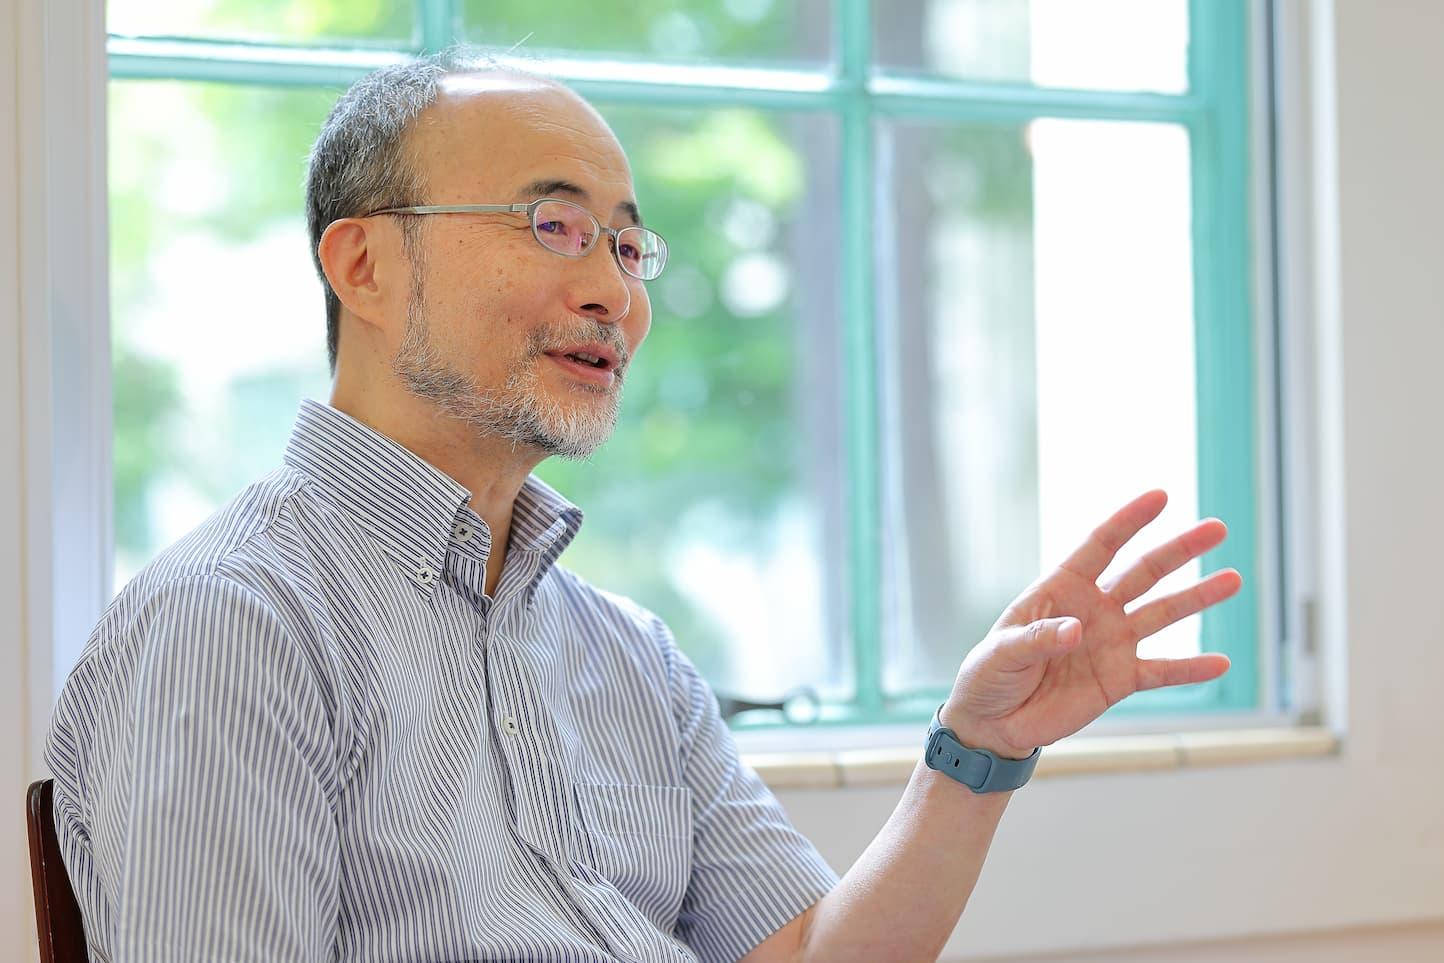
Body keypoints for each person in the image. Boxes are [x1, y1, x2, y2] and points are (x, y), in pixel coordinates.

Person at [46, 51, 1243, 963]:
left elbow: (806, 956)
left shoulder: (628, 656)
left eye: (627, 248)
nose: (611, 292)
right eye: (554, 227)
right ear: (363, 265)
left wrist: (977, 751)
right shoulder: (231, 626)